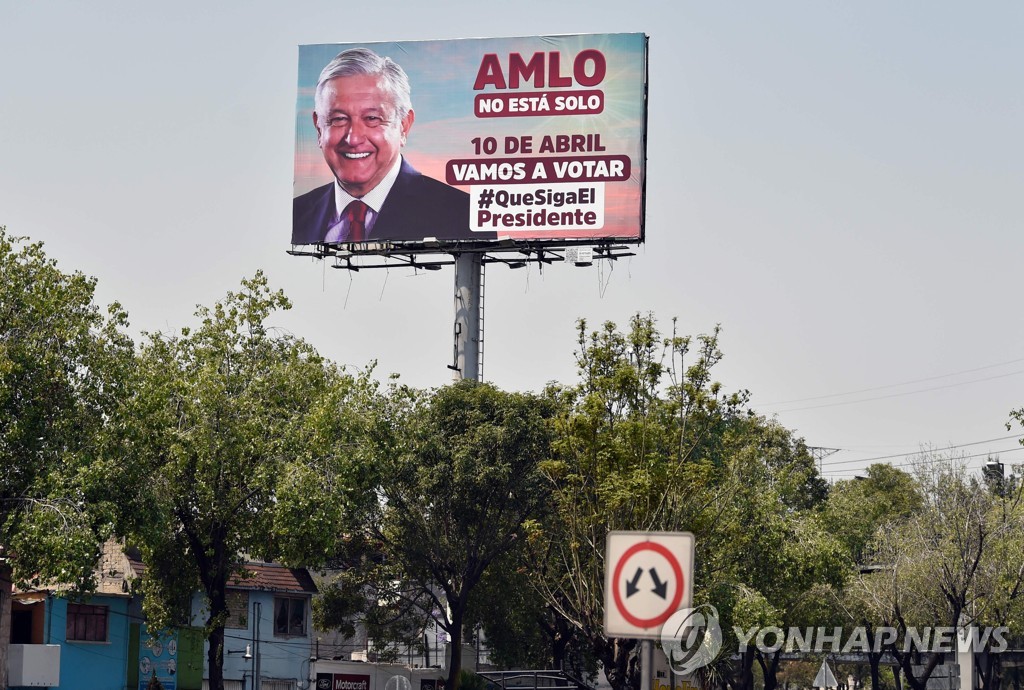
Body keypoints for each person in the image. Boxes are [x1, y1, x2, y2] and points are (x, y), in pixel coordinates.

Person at [293, 47, 488, 245]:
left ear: (404, 125)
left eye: (372, 118)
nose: (353, 139)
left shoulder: (464, 215)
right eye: (338, 119)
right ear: (319, 128)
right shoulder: (298, 213)